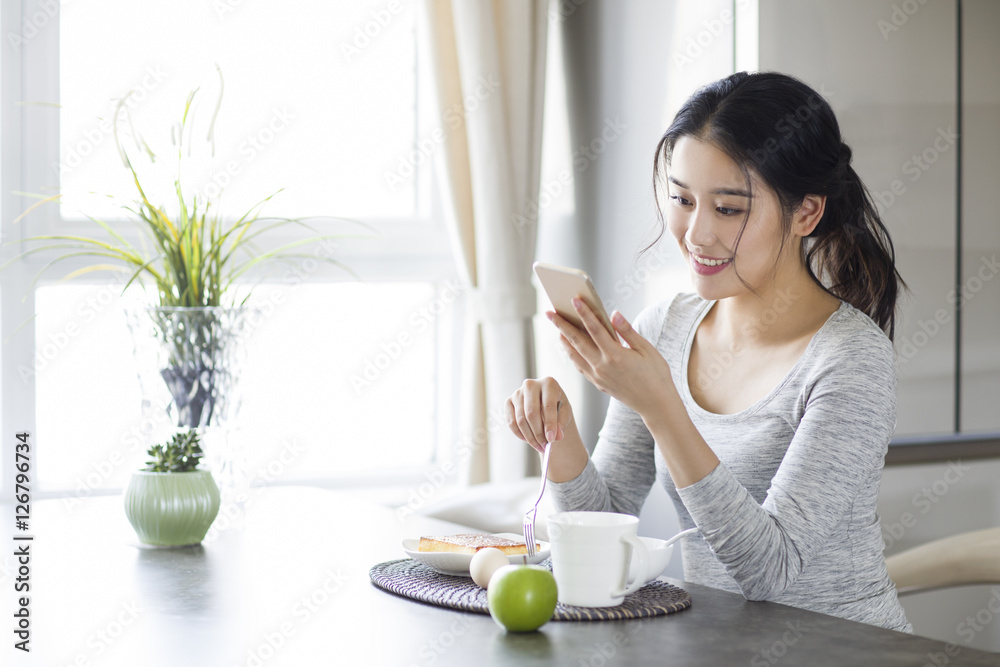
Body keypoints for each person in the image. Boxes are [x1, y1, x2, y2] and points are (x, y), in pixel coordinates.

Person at [505, 71, 912, 632]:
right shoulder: (666, 329)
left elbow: (772, 571)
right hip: (717, 647)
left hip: (844, 649)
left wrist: (661, 407)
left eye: (728, 209)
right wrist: (560, 436)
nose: (696, 234)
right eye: (682, 199)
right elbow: (604, 526)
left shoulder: (851, 360)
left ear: (806, 214)